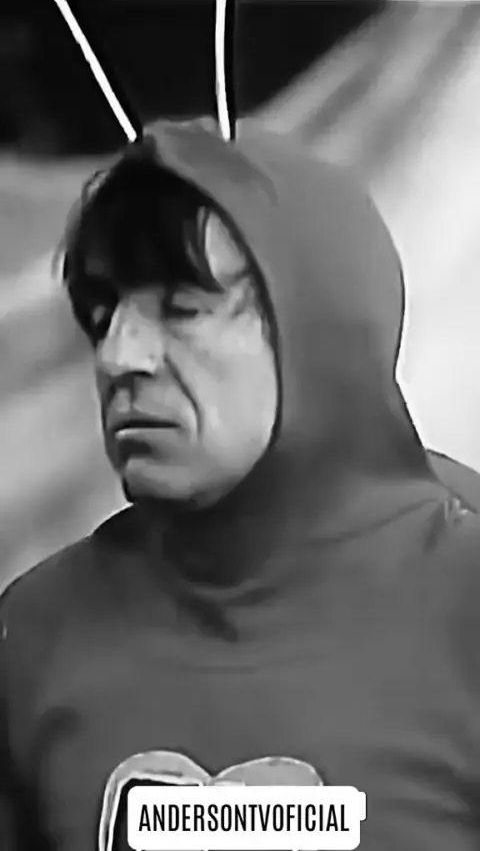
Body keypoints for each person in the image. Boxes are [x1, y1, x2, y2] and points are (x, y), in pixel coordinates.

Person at [1, 118, 480, 851]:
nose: (119, 356)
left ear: (318, 324)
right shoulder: (34, 634)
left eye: (181, 308)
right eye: (102, 316)